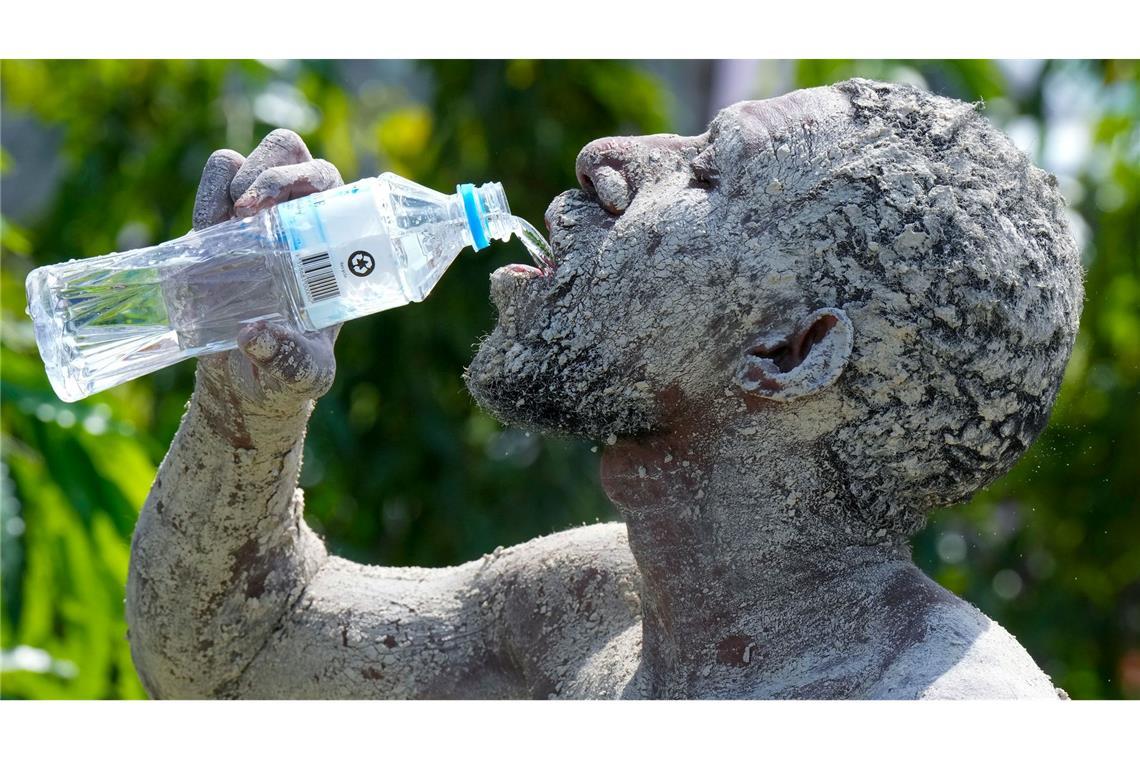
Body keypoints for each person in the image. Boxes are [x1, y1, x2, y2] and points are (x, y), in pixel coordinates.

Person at [125, 78, 1083, 699]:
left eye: (708, 173)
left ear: (792, 353)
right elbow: (231, 655)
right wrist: (244, 407)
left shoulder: (944, 716)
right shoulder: (591, 605)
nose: (607, 155)